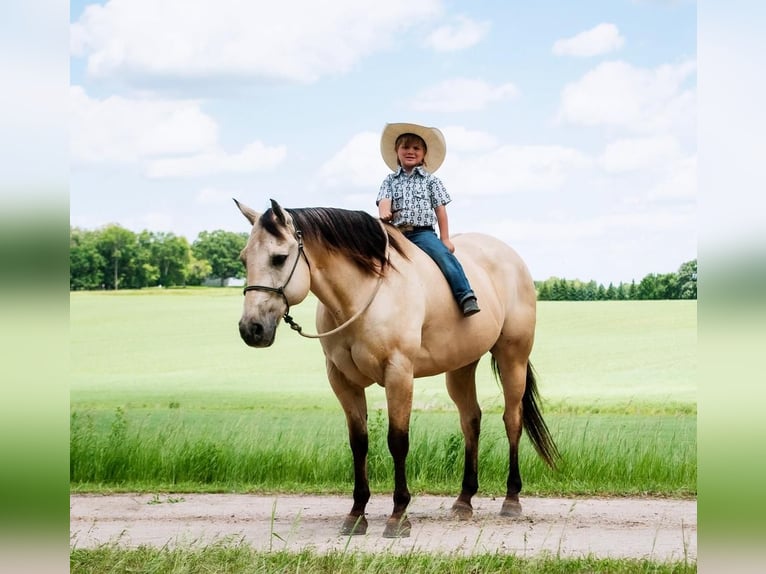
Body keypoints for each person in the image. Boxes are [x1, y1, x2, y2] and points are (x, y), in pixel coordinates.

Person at [376, 122, 480, 317]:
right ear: (396, 151)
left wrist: (445, 238)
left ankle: (465, 294)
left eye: (416, 148)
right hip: (395, 233)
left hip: (421, 233)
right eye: (405, 147)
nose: (410, 151)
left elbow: (440, 210)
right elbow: (384, 201)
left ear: (424, 154)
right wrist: (384, 212)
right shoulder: (389, 180)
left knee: (443, 256)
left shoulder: (431, 180)